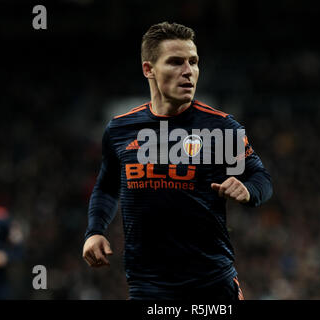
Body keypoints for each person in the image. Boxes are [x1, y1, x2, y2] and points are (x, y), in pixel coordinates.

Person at [82, 22, 273, 300]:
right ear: (149, 69)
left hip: (211, 284)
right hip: (147, 287)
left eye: (193, 62)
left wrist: (249, 191)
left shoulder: (219, 127)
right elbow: (108, 186)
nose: (188, 71)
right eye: (175, 62)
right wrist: (95, 231)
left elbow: (261, 178)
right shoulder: (120, 129)